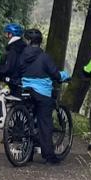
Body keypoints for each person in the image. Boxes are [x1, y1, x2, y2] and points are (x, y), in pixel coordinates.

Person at [18, 28, 64, 164]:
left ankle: (27, 152)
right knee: (45, 122)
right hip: (42, 93)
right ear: (40, 42)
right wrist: (64, 76)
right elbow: (55, 74)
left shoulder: (22, 56)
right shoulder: (45, 57)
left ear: (27, 41)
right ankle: (49, 156)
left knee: (28, 118)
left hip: (25, 90)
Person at [0, 22, 27, 89]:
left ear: (10, 34)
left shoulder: (13, 49)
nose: (5, 35)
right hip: (22, 80)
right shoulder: (24, 47)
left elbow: (7, 68)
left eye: (6, 33)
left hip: (13, 82)